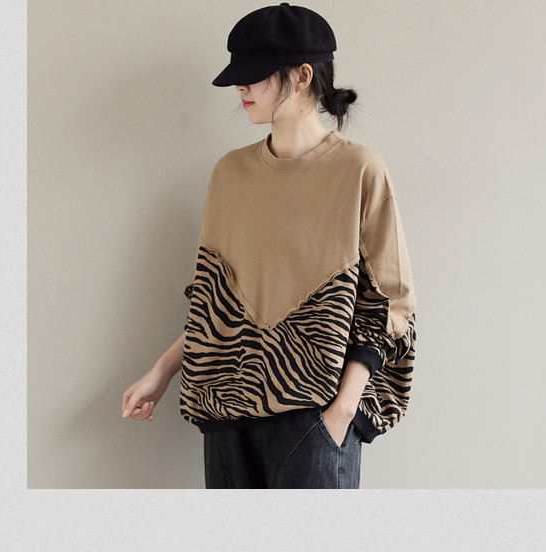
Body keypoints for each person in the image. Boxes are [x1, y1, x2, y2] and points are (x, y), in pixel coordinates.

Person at [121, 3, 417, 489]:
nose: (240, 87)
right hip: (225, 413)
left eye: (254, 73)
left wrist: (342, 411)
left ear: (302, 76)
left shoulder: (358, 168)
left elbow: (394, 302)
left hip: (315, 415)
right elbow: (215, 301)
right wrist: (163, 370)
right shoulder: (230, 173)